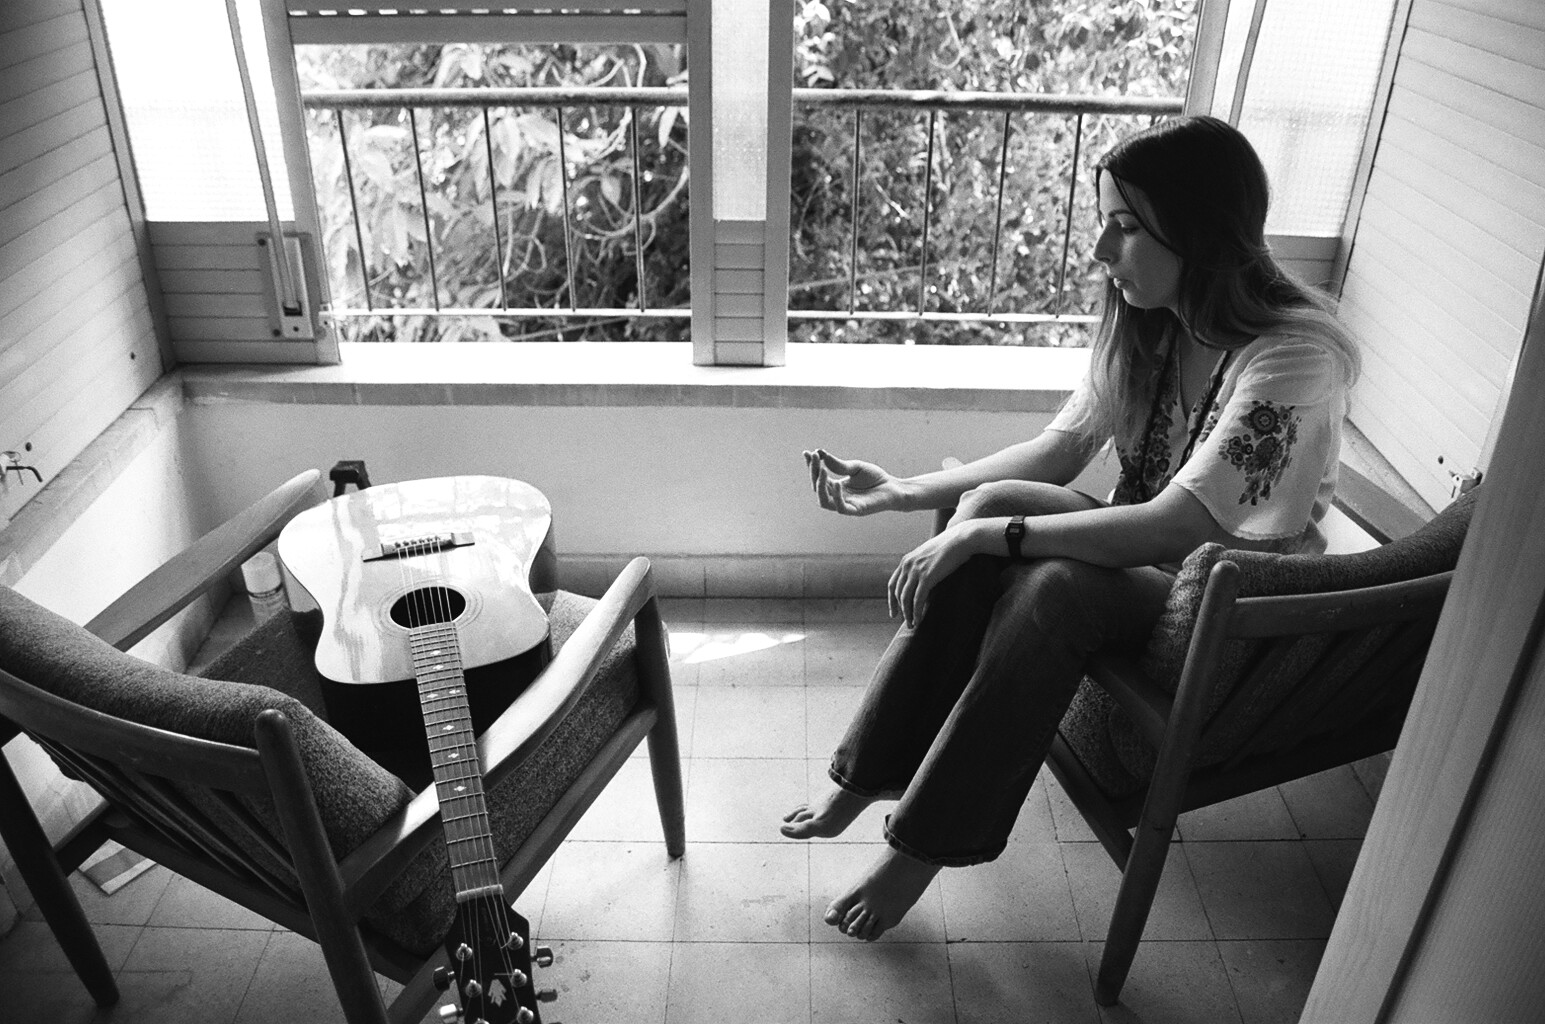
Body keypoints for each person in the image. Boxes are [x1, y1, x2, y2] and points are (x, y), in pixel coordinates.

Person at [781, 115, 1361, 941]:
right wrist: (906, 493)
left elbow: (1174, 526)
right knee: (985, 507)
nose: (1098, 251)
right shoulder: (1155, 323)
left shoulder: (1293, 356)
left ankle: (920, 848)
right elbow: (1057, 451)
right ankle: (870, 773)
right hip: (1152, 551)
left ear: (1197, 230)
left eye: (1123, 229)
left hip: (1227, 592)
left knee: (1045, 581)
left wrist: (985, 540)